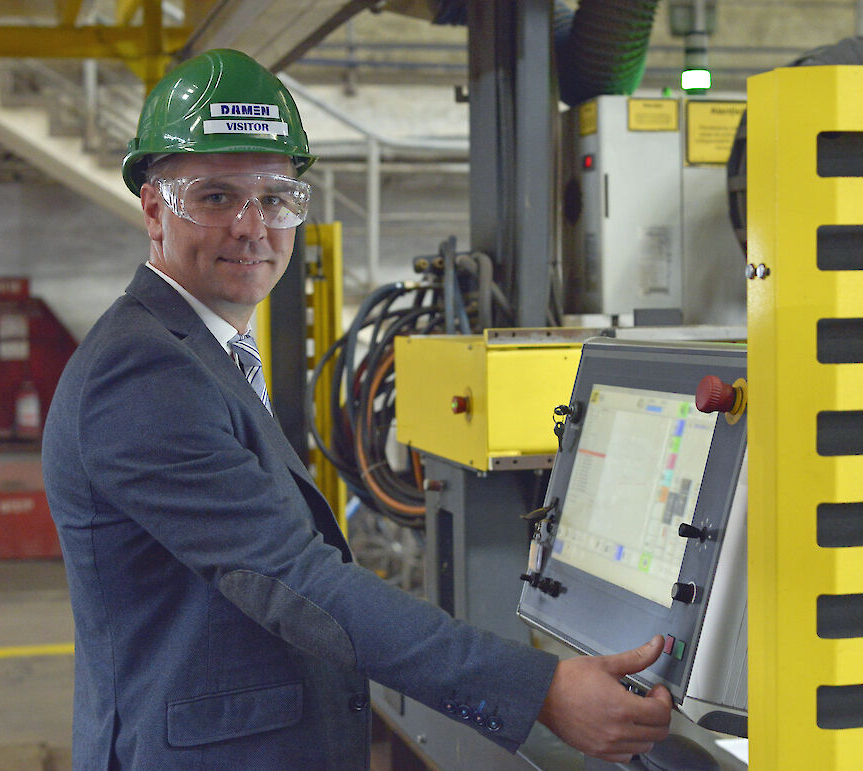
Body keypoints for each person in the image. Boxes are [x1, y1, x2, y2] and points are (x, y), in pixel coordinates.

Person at [42, 48, 672, 769]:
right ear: (155, 210)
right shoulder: (143, 370)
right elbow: (291, 577)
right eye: (216, 197)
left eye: (276, 197)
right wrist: (540, 690)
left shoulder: (201, 350)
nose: (253, 225)